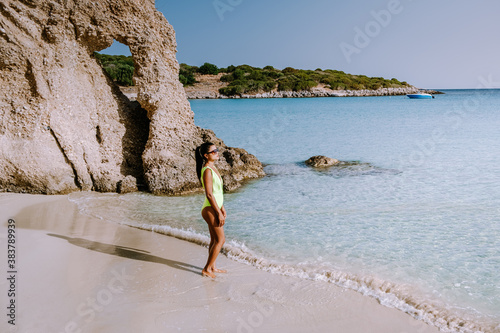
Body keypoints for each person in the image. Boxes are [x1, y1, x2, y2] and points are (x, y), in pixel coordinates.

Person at [195, 142, 227, 278]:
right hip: (209, 209)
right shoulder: (207, 170)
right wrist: (218, 212)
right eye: (213, 151)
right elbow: (209, 194)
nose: (217, 152)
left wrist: (222, 208)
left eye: (217, 150)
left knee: (214, 240)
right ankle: (207, 269)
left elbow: (218, 192)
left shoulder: (213, 169)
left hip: (214, 208)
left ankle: (212, 266)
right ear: (206, 155)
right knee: (221, 240)